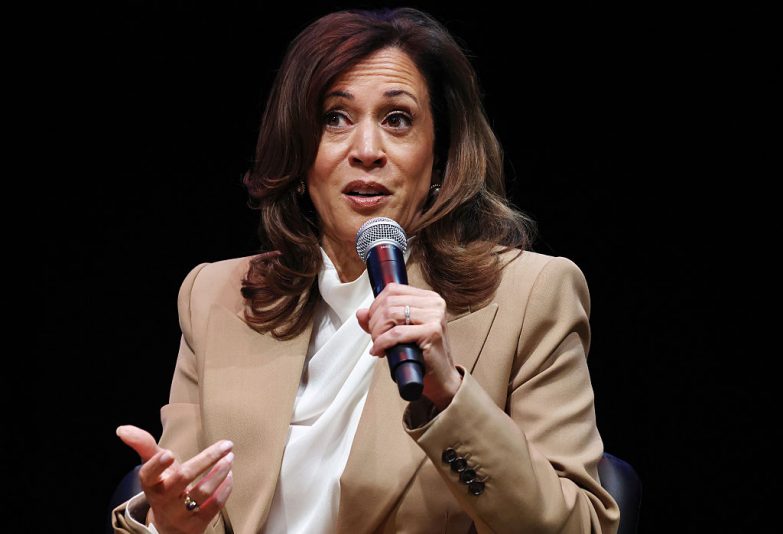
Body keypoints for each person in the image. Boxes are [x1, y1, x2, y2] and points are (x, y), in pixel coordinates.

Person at [113, 6, 620, 534]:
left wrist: (449, 396)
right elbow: (183, 498)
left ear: (440, 153)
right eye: (335, 118)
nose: (367, 150)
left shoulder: (529, 295)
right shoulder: (216, 296)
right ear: (299, 150)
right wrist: (170, 523)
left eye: (397, 119)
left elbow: (581, 527)